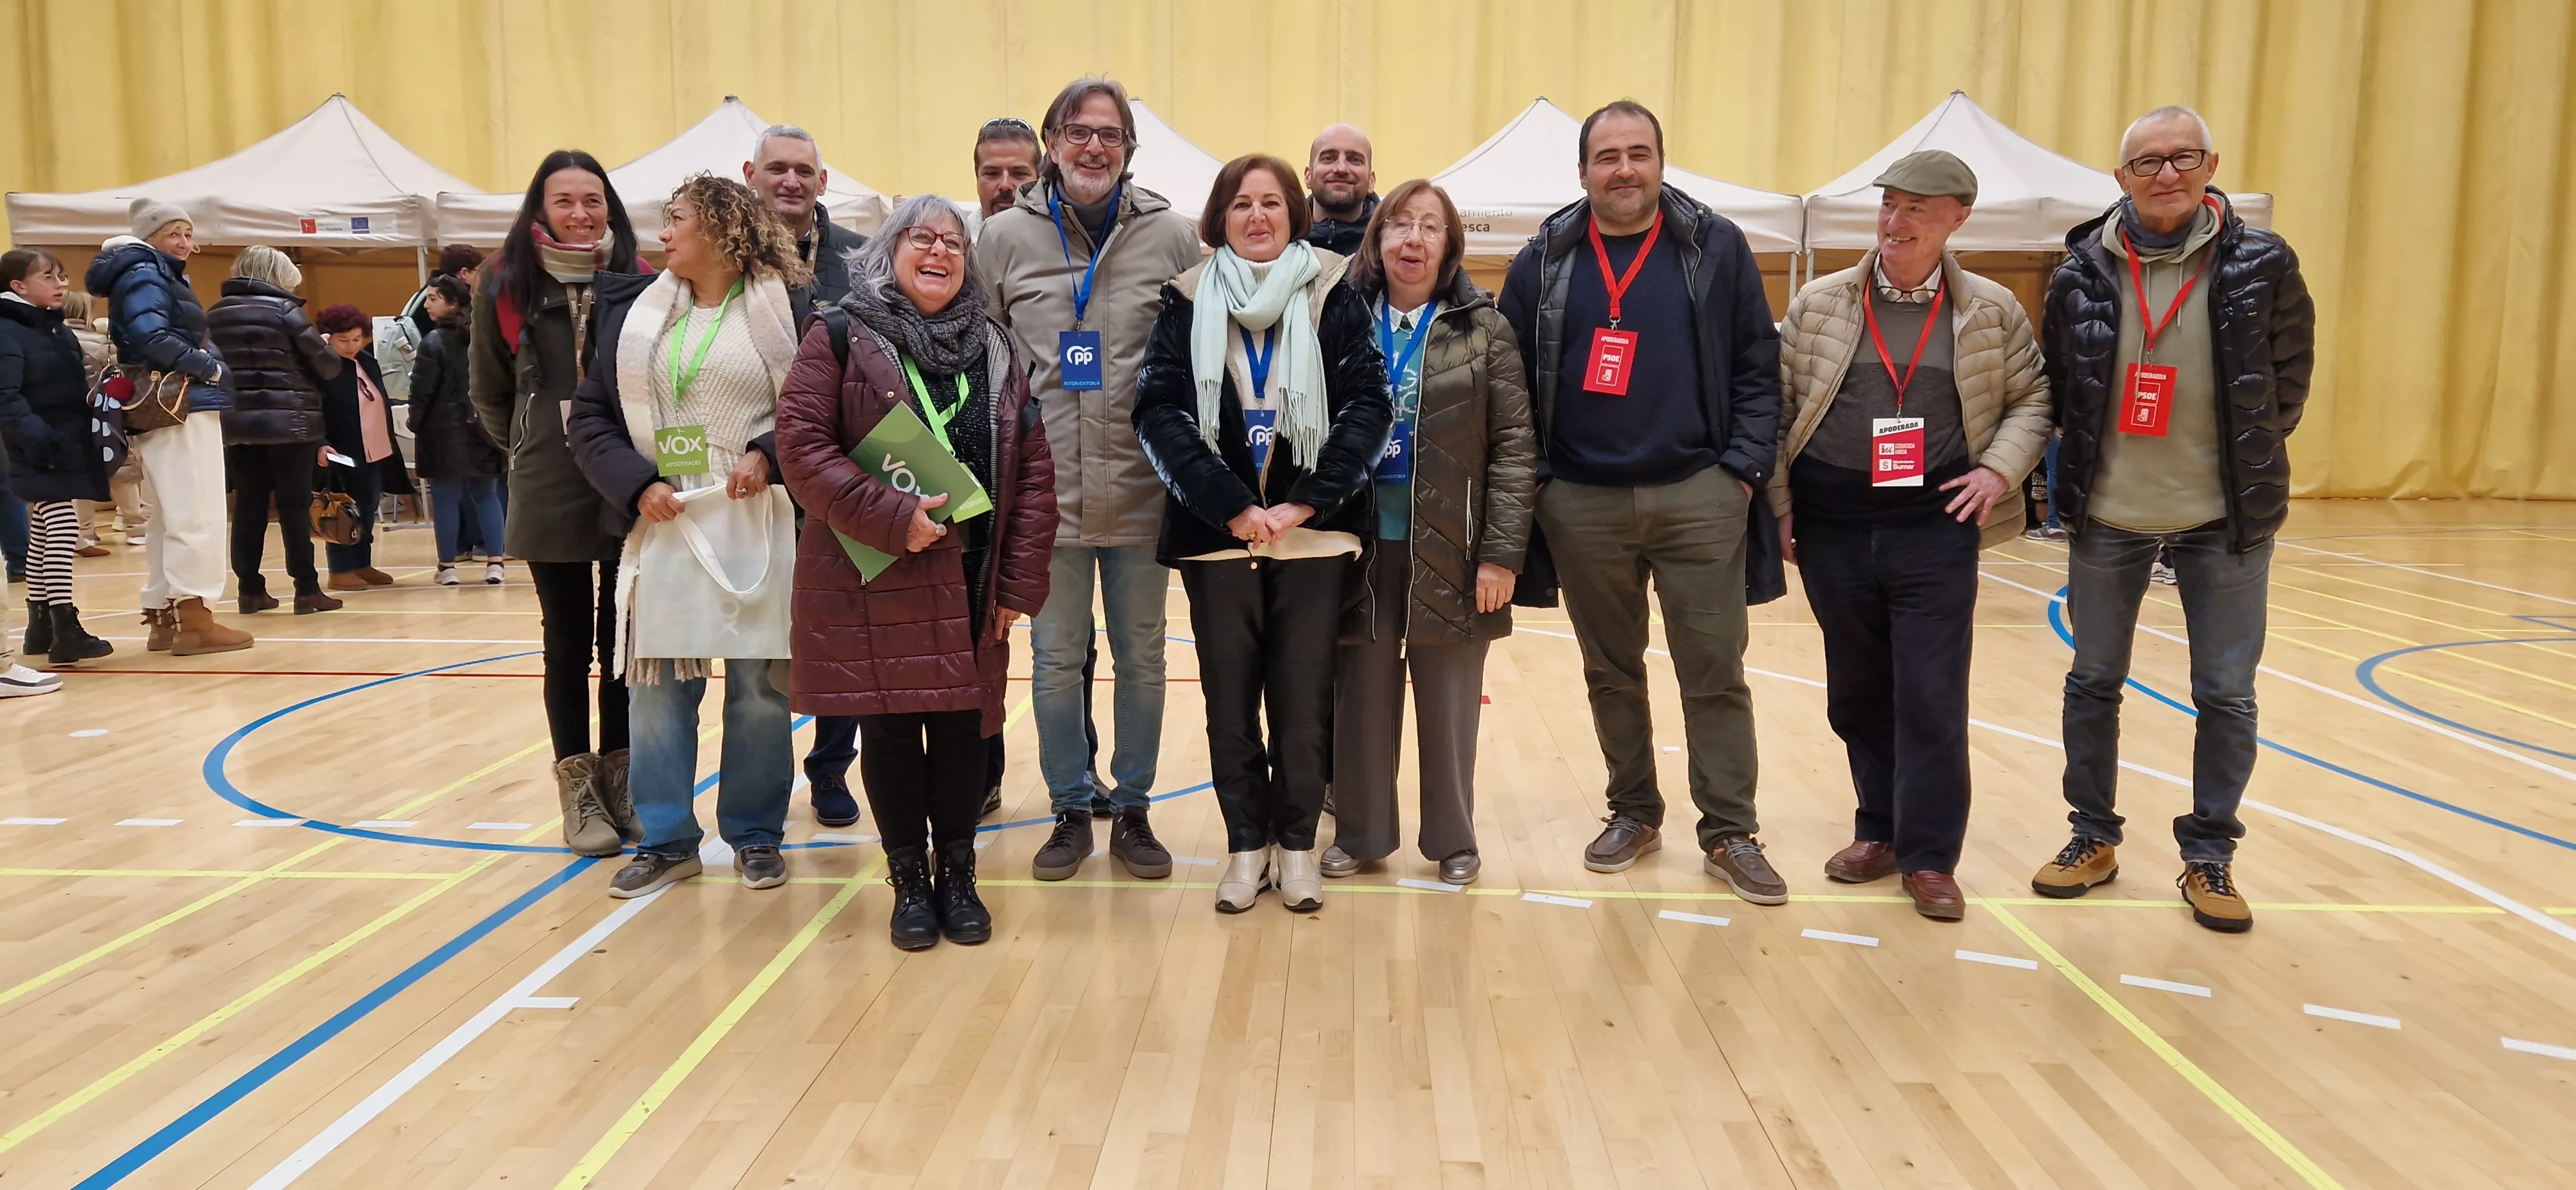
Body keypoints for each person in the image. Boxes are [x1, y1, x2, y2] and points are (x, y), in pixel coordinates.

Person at [2032, 106, 2313, 934]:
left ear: (2210, 165)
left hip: (2223, 517)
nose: (2165, 174)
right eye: (2147, 162)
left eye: (2182, 158)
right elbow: (2062, 386)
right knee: (2092, 681)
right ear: (2121, 178)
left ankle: (2210, 855)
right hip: (2109, 512)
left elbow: (2288, 380)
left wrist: (2242, 459)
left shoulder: (2263, 262)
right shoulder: (2079, 269)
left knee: (2225, 693)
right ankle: (2092, 838)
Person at [1497, 101, 1787, 902]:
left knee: (1714, 669)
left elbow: (1758, 364)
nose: (1623, 169)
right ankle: (1633, 810)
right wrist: (1544, 481)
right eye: (1607, 156)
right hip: (1581, 501)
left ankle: (1729, 830)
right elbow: (1508, 381)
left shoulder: (1716, 246)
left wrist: (1740, 471)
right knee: (1610, 670)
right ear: (1582, 171)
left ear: (1660, 162)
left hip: (1699, 493)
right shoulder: (1542, 259)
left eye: (1638, 153)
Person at [1772, 151, 2053, 921]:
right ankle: (1879, 831)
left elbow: (2033, 398)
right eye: (1888, 205)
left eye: (1916, 210)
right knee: (1857, 690)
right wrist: (1782, 506)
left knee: (1929, 692)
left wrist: (1997, 471)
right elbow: (1778, 407)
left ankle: (1930, 856)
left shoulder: (1991, 309)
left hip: (1934, 526)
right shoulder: (1819, 303)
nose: (1895, 223)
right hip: (1832, 524)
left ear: (1958, 217)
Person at [778, 194, 1059, 949]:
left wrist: (1017, 584)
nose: (939, 252)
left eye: (954, 243)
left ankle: (958, 877)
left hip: (973, 575)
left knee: (966, 732)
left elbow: (1033, 472)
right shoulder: (839, 335)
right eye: (921, 238)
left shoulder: (996, 347)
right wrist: (891, 515)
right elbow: (801, 448)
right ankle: (908, 882)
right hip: (877, 574)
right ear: (889, 252)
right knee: (894, 732)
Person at [1135, 153, 1393, 914]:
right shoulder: (1185, 298)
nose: (1257, 216)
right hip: (1221, 536)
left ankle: (1297, 846)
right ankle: (1246, 846)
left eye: (1272, 203)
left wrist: (1305, 503)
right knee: (1229, 702)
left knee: (1302, 700)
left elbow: (1369, 407)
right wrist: (1230, 506)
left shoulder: (1334, 292)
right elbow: (1158, 411)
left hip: (1312, 537)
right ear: (1219, 218)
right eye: (1242, 204)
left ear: (1294, 214)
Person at [975, 77, 1202, 882]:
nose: (1094, 147)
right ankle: (1070, 808)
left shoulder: (1172, 236)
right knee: (1054, 659)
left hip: (1142, 491)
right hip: (1046, 498)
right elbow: (980, 361)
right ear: (1052, 142)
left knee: (1143, 659)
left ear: (1129, 149)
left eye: (1110, 134)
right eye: (1079, 132)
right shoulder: (1003, 238)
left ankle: (1133, 808)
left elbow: (1200, 356)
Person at [567, 174, 810, 898]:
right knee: (658, 691)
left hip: (758, 515)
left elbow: (818, 407)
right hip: (664, 517)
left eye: (677, 219)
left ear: (723, 227)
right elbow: (590, 418)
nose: (663, 233)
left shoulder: (791, 310)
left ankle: (756, 834)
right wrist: (637, 484)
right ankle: (668, 839)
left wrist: (768, 452)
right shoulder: (631, 312)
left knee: (759, 691)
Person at [1323, 181, 1536, 887]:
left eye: (1430, 227)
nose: (1412, 239)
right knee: (1361, 696)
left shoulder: (1484, 328)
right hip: (1357, 543)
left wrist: (1500, 554)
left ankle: (1453, 840)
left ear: (1449, 246)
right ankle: (1361, 834)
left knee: (1448, 702)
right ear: (1377, 240)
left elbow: (1514, 448)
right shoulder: (1340, 319)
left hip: (1453, 543)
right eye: (1399, 225)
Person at [470, 149, 650, 857]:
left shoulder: (638, 277)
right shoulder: (505, 280)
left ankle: (623, 778)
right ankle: (578, 789)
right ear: (540, 209)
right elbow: (489, 389)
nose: (581, 213)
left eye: (592, 200)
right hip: (548, 478)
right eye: (565, 200)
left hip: (626, 474)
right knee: (567, 642)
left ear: (610, 209)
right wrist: (529, 443)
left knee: (624, 643)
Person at [87, 199, 252, 656]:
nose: (184, 243)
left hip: (161, 408)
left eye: (188, 234)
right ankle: (195, 619)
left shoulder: (139, 271)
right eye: (173, 233)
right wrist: (209, 368)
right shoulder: (147, 271)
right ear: (149, 237)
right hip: (181, 403)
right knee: (197, 511)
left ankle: (165, 615)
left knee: (169, 513)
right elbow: (151, 336)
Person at [209, 245, 345, 616]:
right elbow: (328, 367)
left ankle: (250, 591)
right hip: (290, 423)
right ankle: (306, 590)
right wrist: (325, 348)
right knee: (294, 508)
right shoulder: (285, 311)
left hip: (237, 423)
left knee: (248, 507)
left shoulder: (214, 314)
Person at [1, 247, 117, 668]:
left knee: (43, 531)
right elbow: (6, 395)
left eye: (62, 276)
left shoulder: (51, 326)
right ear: (18, 286)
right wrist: (41, 441)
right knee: (64, 528)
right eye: (48, 277)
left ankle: (41, 626)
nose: (61, 284)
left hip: (61, 440)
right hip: (40, 444)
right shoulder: (8, 330)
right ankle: (65, 626)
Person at [408, 274, 507, 586]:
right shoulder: (484, 336)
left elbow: (421, 392)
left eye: (433, 298)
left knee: (446, 499)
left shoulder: (433, 342)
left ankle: (448, 567)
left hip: (441, 433)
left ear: (453, 303)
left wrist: (414, 422)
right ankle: (496, 564)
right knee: (487, 496)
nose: (426, 305)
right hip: (485, 429)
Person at [315, 304, 414, 590]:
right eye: (343, 340)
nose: (351, 345)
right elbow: (313, 410)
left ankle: (362, 563)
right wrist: (321, 444)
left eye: (357, 339)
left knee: (367, 507)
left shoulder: (367, 361)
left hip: (375, 448)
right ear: (328, 338)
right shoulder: (322, 368)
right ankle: (340, 569)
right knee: (342, 509)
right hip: (341, 450)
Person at [744, 124, 868, 319]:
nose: (792, 183)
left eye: (804, 172)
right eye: (777, 169)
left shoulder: (864, 256)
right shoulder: (726, 253)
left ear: (822, 182)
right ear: (751, 175)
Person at [60, 290, 118, 555]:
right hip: (101, 412)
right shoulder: (102, 341)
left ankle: (84, 532)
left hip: (65, 414)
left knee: (74, 475)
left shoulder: (51, 337)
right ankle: (134, 524)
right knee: (125, 469)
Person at [1302, 123, 1378, 254]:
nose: (1341, 169)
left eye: (1354, 160)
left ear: (1371, 181)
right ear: (1308, 176)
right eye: (1328, 158)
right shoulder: (1281, 242)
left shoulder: (1389, 247)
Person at [970, 117, 1041, 229]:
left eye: (1019, 174)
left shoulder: (1063, 236)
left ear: (1039, 180)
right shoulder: (957, 238)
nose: (1005, 185)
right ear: (977, 181)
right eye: (992, 174)